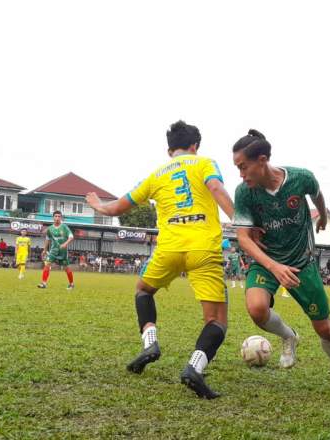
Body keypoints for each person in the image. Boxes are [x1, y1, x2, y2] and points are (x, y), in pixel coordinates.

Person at [86, 120, 235, 399]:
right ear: (195, 146)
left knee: (143, 290)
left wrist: (97, 205)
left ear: (169, 151)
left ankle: (150, 342)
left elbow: (117, 207)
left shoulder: (156, 175)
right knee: (216, 320)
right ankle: (194, 368)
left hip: (168, 249)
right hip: (203, 249)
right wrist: (240, 220)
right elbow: (215, 188)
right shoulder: (204, 163)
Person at [231, 129, 330, 396]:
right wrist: (274, 266)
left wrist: (323, 217)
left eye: (243, 167)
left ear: (262, 160)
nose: (241, 174)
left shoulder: (300, 178)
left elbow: (317, 194)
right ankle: (289, 336)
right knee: (256, 308)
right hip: (267, 261)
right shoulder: (244, 193)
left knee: (324, 327)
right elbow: (243, 238)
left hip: (301, 262)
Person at [37, 211, 75, 290]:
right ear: (53, 217)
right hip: (53, 250)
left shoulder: (64, 227)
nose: (57, 218)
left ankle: (71, 284)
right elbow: (47, 239)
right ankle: (43, 283)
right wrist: (45, 250)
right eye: (56, 216)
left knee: (66, 268)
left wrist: (65, 244)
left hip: (63, 251)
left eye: (59, 216)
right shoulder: (50, 228)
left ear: (61, 218)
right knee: (47, 264)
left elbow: (71, 237)